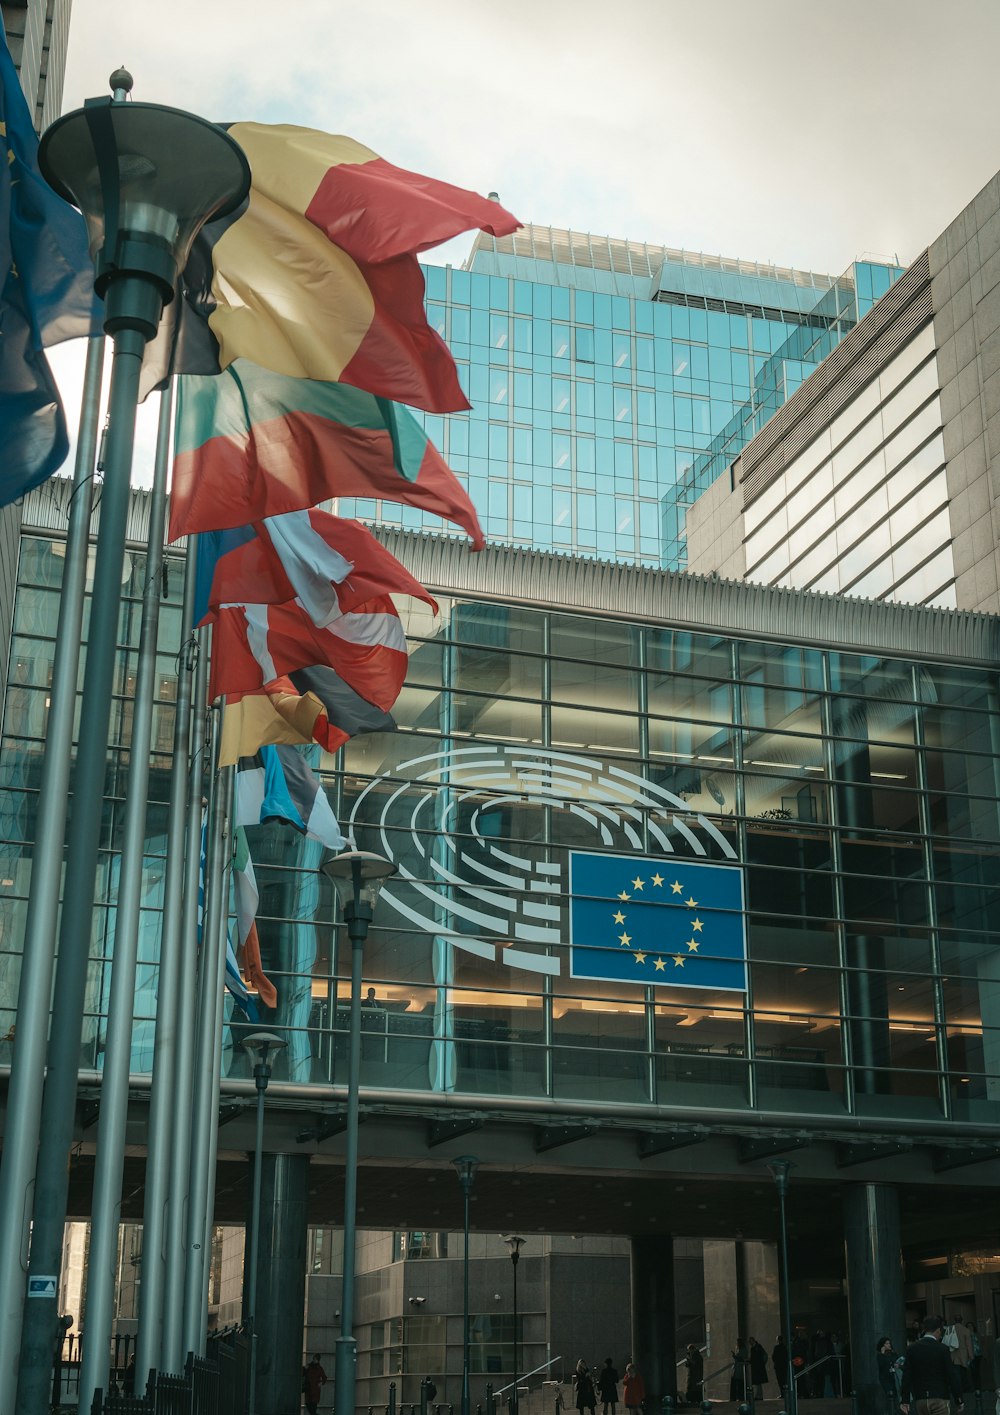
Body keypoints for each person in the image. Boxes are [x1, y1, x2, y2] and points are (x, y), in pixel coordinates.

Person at [900, 1315, 964, 1415]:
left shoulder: (912, 1348)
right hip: (940, 1397)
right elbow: (951, 1375)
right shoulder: (942, 1349)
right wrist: (959, 1399)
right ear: (938, 1330)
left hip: (921, 1398)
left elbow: (907, 1375)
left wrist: (905, 1400)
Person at [877, 1337, 899, 1405]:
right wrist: (882, 1354)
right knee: (889, 1397)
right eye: (886, 1343)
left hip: (894, 1378)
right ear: (882, 1346)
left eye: (889, 1343)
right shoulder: (880, 1355)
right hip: (885, 1379)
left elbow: (898, 1363)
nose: (889, 1344)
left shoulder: (894, 1354)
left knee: (896, 1398)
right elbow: (881, 1365)